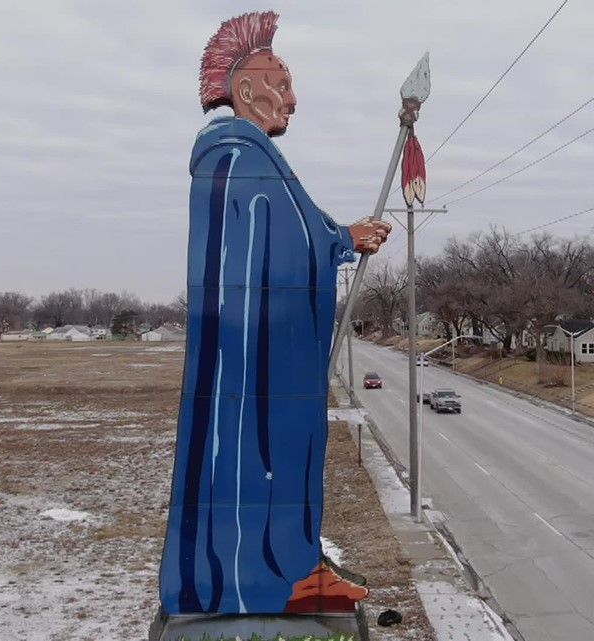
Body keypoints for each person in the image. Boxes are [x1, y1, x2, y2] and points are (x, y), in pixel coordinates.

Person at [158, 11, 391, 615]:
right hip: (250, 362)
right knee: (254, 458)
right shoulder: (230, 157)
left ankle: (295, 564)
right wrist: (331, 242)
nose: (293, 98)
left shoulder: (260, 157)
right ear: (244, 91)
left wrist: (345, 237)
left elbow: (297, 230)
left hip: (279, 359)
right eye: (282, 84)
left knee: (293, 454)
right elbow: (259, 249)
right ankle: (250, 578)